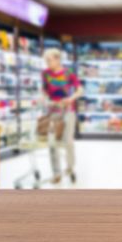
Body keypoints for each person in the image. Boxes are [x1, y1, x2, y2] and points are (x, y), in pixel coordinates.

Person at [42, 48, 83, 184]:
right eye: (45, 60)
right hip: (52, 111)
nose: (47, 63)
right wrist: (44, 100)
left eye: (49, 60)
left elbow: (80, 90)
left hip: (68, 111)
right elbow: (44, 91)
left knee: (67, 141)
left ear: (58, 59)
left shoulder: (68, 73)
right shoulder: (45, 74)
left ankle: (70, 168)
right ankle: (56, 173)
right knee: (52, 142)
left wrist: (71, 98)